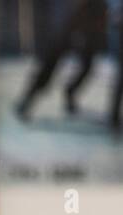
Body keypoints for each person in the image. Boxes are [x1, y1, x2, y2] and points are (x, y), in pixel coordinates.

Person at [15, 0, 122, 129]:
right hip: (74, 16)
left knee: (87, 64)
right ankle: (28, 99)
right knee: (54, 58)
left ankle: (70, 92)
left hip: (93, 17)